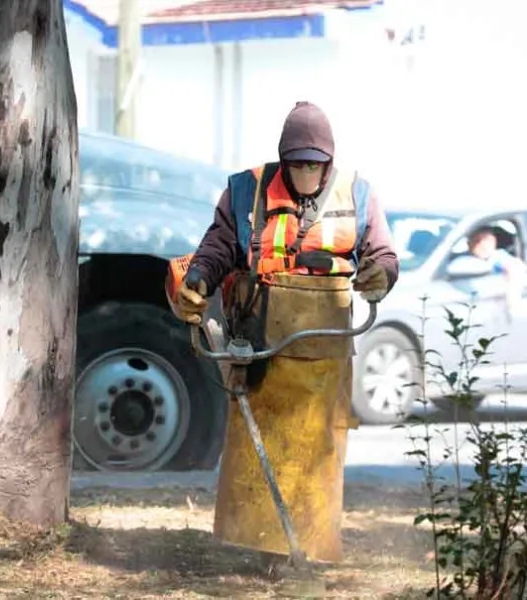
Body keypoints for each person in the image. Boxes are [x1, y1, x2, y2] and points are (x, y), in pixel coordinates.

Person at [168, 100, 399, 565]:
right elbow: (216, 248)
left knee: (317, 454)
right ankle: (248, 549)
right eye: (296, 164)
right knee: (256, 452)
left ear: (328, 162)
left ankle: (309, 552)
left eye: (314, 165)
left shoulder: (359, 194)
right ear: (283, 160)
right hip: (258, 342)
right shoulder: (244, 191)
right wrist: (197, 280)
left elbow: (384, 256)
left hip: (325, 350)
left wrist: (380, 275)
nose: (306, 173)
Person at [456, 226, 527, 320]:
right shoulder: (462, 258)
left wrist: (512, 297)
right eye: (478, 241)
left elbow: (516, 266)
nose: (484, 245)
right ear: (469, 243)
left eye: (488, 241)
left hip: (494, 307)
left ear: (495, 242)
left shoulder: (498, 256)